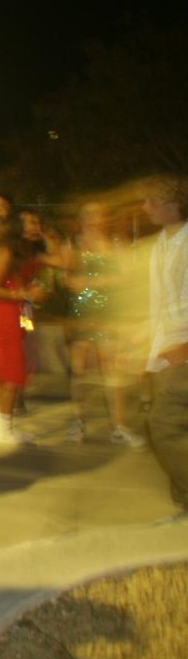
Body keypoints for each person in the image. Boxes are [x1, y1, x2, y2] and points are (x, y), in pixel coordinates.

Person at [65, 202, 145, 447]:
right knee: (80, 372)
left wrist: (101, 280)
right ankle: (78, 421)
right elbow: (68, 278)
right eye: (88, 214)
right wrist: (79, 282)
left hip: (108, 315)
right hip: (82, 313)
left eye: (97, 214)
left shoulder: (113, 243)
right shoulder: (74, 244)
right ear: (82, 219)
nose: (93, 219)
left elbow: (125, 275)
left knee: (113, 371)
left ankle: (118, 426)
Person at [141, 174, 188, 512]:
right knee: (171, 425)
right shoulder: (160, 244)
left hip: (182, 349)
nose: (146, 208)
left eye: (152, 201)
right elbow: (160, 302)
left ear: (175, 203)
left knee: (163, 425)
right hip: (165, 350)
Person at [0, 217, 46, 446]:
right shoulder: (7, 252)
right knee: (12, 368)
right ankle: (4, 429)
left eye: (36, 223)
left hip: (15, 313)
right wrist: (21, 294)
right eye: (29, 223)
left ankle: (4, 424)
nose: (35, 227)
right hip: (3, 314)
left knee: (15, 368)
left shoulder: (26, 253)